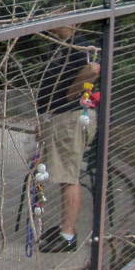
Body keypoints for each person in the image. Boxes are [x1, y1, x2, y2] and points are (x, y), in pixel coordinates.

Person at [35, 24, 101, 254]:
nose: (51, 22)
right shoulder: (61, 48)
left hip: (71, 118)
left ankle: (68, 235)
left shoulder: (79, 46)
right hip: (59, 117)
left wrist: (73, 91)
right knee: (63, 174)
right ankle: (65, 228)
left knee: (68, 175)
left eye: (58, 17)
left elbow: (93, 69)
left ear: (72, 23)